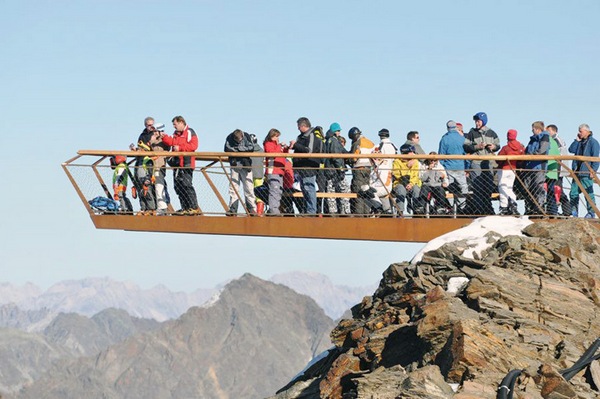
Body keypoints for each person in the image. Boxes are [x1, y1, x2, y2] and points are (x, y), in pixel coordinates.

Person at [160, 115, 199, 215]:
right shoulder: (176, 134)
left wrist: (180, 148)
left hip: (186, 163)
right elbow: (172, 142)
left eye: (175, 124)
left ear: (181, 122)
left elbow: (194, 145)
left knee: (187, 184)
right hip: (177, 164)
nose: (174, 126)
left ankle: (193, 207)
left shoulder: (190, 132)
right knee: (178, 187)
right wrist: (164, 137)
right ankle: (185, 208)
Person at [463, 112, 500, 215]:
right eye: (476, 121)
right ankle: (479, 210)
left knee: (488, 186)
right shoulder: (471, 133)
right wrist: (477, 147)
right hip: (476, 162)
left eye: (478, 121)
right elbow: (465, 146)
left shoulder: (492, 133)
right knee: (477, 186)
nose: (476, 123)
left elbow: (498, 145)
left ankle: (487, 208)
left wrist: (494, 147)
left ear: (483, 121)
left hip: (488, 163)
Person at [290, 117, 322, 215]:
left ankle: (311, 211)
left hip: (309, 166)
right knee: (305, 189)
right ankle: (308, 210)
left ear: (303, 126)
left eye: (299, 127)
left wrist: (295, 145)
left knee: (309, 188)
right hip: (302, 167)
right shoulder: (302, 137)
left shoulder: (311, 135)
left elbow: (309, 150)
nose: (298, 129)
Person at [569, 123, 600, 218]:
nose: (579, 133)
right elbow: (571, 149)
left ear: (587, 131)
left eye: (581, 131)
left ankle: (591, 212)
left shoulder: (593, 142)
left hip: (586, 172)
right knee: (573, 193)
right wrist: (576, 140)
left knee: (588, 193)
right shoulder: (580, 142)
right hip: (577, 171)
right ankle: (574, 212)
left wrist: (593, 170)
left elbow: (595, 157)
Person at [438, 120, 470, 213]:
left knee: (449, 188)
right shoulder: (462, 139)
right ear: (455, 127)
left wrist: (443, 167)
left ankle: (452, 207)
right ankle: (462, 207)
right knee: (463, 187)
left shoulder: (444, 139)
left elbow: (441, 155)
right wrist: (467, 167)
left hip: (449, 167)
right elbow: (467, 155)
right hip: (460, 167)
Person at [224, 129, 257, 215]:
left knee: (249, 186)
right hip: (235, 165)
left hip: (246, 165)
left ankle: (252, 209)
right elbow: (226, 149)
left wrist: (237, 151)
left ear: (242, 136)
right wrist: (242, 151)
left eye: (240, 139)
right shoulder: (229, 138)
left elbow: (251, 148)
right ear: (234, 138)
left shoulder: (247, 136)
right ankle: (233, 209)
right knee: (233, 186)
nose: (239, 141)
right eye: (237, 140)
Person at [523, 121, 550, 215]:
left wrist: (531, 155)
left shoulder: (544, 137)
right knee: (528, 187)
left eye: (533, 128)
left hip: (539, 166)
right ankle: (530, 207)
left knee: (538, 186)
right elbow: (527, 150)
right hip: (529, 167)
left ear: (538, 129)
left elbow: (542, 150)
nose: (532, 130)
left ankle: (539, 207)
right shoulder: (532, 140)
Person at [324, 122, 351, 215]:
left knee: (331, 191)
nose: (339, 132)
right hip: (336, 171)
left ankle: (333, 211)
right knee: (345, 189)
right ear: (335, 131)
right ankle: (346, 211)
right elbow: (337, 157)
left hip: (329, 170)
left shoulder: (328, 140)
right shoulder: (334, 141)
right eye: (338, 130)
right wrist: (341, 168)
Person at [347, 127, 376, 215]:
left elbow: (354, 158)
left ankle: (359, 215)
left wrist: (348, 160)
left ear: (354, 136)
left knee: (359, 192)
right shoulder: (370, 142)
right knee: (366, 192)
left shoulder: (357, 143)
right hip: (368, 169)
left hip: (359, 169)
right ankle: (366, 213)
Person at [369, 128, 398, 215]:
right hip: (391, 171)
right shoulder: (393, 146)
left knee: (375, 191)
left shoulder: (379, 146)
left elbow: (371, 155)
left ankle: (381, 209)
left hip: (382, 170)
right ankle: (388, 211)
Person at [497, 129, 524, 215]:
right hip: (513, 169)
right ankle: (512, 204)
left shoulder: (506, 148)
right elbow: (522, 159)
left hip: (504, 168)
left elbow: (498, 159)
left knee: (502, 187)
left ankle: (505, 206)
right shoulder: (520, 148)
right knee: (509, 187)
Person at [546, 124, 571, 216]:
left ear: (554, 131)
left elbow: (560, 154)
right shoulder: (553, 140)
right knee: (554, 189)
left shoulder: (557, 140)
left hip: (558, 169)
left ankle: (566, 211)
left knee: (558, 189)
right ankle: (554, 210)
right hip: (554, 169)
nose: (547, 133)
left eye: (549, 131)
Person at [392, 144, 423, 216]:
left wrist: (411, 184)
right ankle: (400, 212)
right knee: (401, 190)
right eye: (411, 152)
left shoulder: (415, 161)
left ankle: (417, 211)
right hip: (400, 182)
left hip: (412, 183)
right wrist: (407, 167)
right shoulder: (397, 161)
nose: (413, 154)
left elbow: (415, 175)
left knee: (416, 189)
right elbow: (397, 174)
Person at [262, 128, 286, 215]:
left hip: (279, 170)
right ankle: (274, 210)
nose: (277, 138)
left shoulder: (276, 145)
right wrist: (280, 146)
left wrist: (285, 148)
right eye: (276, 136)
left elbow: (282, 155)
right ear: (272, 136)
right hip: (273, 171)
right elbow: (272, 153)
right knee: (274, 191)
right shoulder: (268, 144)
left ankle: (275, 209)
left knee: (278, 191)